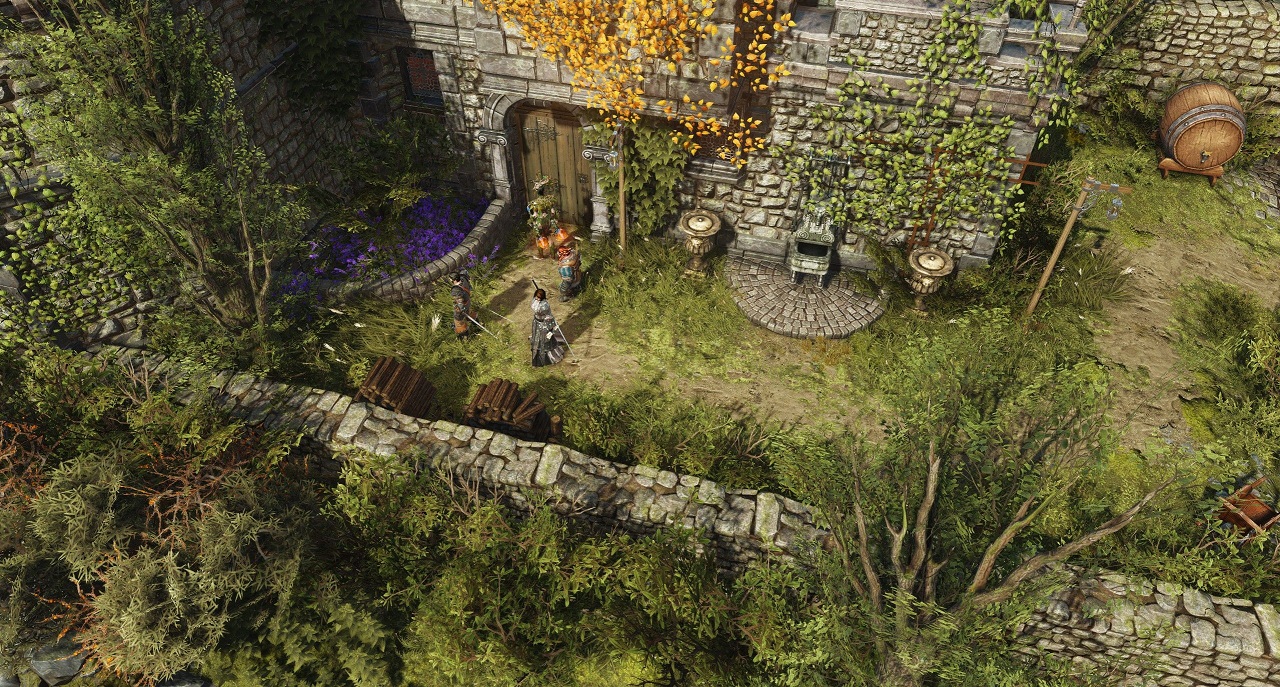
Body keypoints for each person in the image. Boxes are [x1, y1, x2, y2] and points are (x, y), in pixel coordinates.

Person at [530, 288, 567, 367]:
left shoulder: (545, 306)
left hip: (544, 324)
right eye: (536, 296)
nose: (537, 298)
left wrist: (550, 328)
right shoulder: (535, 301)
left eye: (539, 297)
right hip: (536, 323)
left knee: (546, 341)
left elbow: (543, 314)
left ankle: (550, 357)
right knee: (536, 340)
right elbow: (534, 307)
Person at [450, 271, 476, 340]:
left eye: (450, 279)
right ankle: (477, 324)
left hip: (462, 306)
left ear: (454, 280)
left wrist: (458, 311)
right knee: (469, 313)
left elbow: (460, 302)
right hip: (468, 302)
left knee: (458, 321)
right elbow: (464, 272)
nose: (449, 280)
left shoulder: (456, 290)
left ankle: (465, 337)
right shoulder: (463, 279)